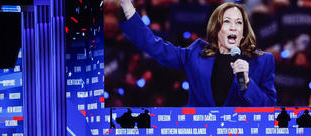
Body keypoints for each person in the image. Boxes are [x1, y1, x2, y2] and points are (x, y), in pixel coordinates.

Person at [117, 0, 276, 107]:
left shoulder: (262, 61)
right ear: (216, 29)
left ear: (244, 32)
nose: (234, 27)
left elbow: (269, 109)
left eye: (239, 23)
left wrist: (247, 83)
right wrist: (127, 7)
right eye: (227, 21)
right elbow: (155, 46)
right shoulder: (195, 54)